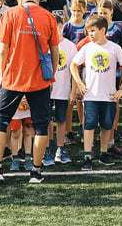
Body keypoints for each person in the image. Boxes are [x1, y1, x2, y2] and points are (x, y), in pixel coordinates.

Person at [0, 0, 59, 184]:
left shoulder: (10, 14)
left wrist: (2, 70)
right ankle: (35, 171)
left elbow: (3, 48)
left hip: (12, 77)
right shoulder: (48, 17)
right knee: (41, 125)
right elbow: (55, 51)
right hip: (40, 79)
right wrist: (50, 75)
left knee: (1, 120)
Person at [70, 15, 122, 171]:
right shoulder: (87, 47)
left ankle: (103, 153)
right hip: (91, 96)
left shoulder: (114, 48)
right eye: (88, 31)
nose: (90, 34)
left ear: (103, 30)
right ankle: (87, 156)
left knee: (106, 126)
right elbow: (73, 65)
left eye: (93, 30)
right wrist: (79, 83)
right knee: (88, 126)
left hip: (109, 96)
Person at [50, 15, 77, 165]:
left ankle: (60, 148)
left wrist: (73, 91)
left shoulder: (70, 46)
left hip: (63, 89)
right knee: (47, 120)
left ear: (61, 26)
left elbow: (74, 71)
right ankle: (48, 148)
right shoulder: (44, 44)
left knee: (61, 120)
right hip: (46, 90)